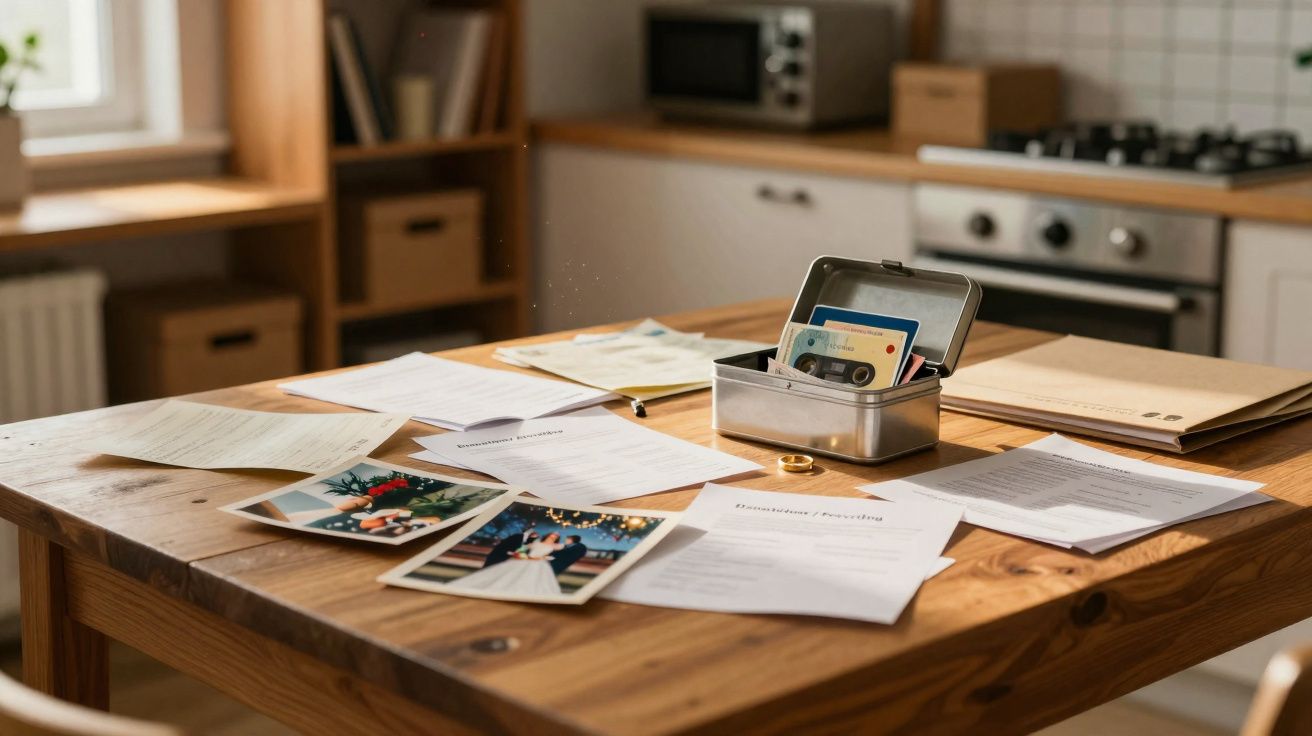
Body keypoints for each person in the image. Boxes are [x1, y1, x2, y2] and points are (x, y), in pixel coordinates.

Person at [449, 532, 565, 596]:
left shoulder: (556, 546)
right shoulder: (535, 542)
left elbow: (554, 554)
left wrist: (543, 557)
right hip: (525, 560)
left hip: (538, 564)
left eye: (555, 537)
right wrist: (519, 554)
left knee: (532, 580)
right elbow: (523, 549)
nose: (553, 537)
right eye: (551, 535)